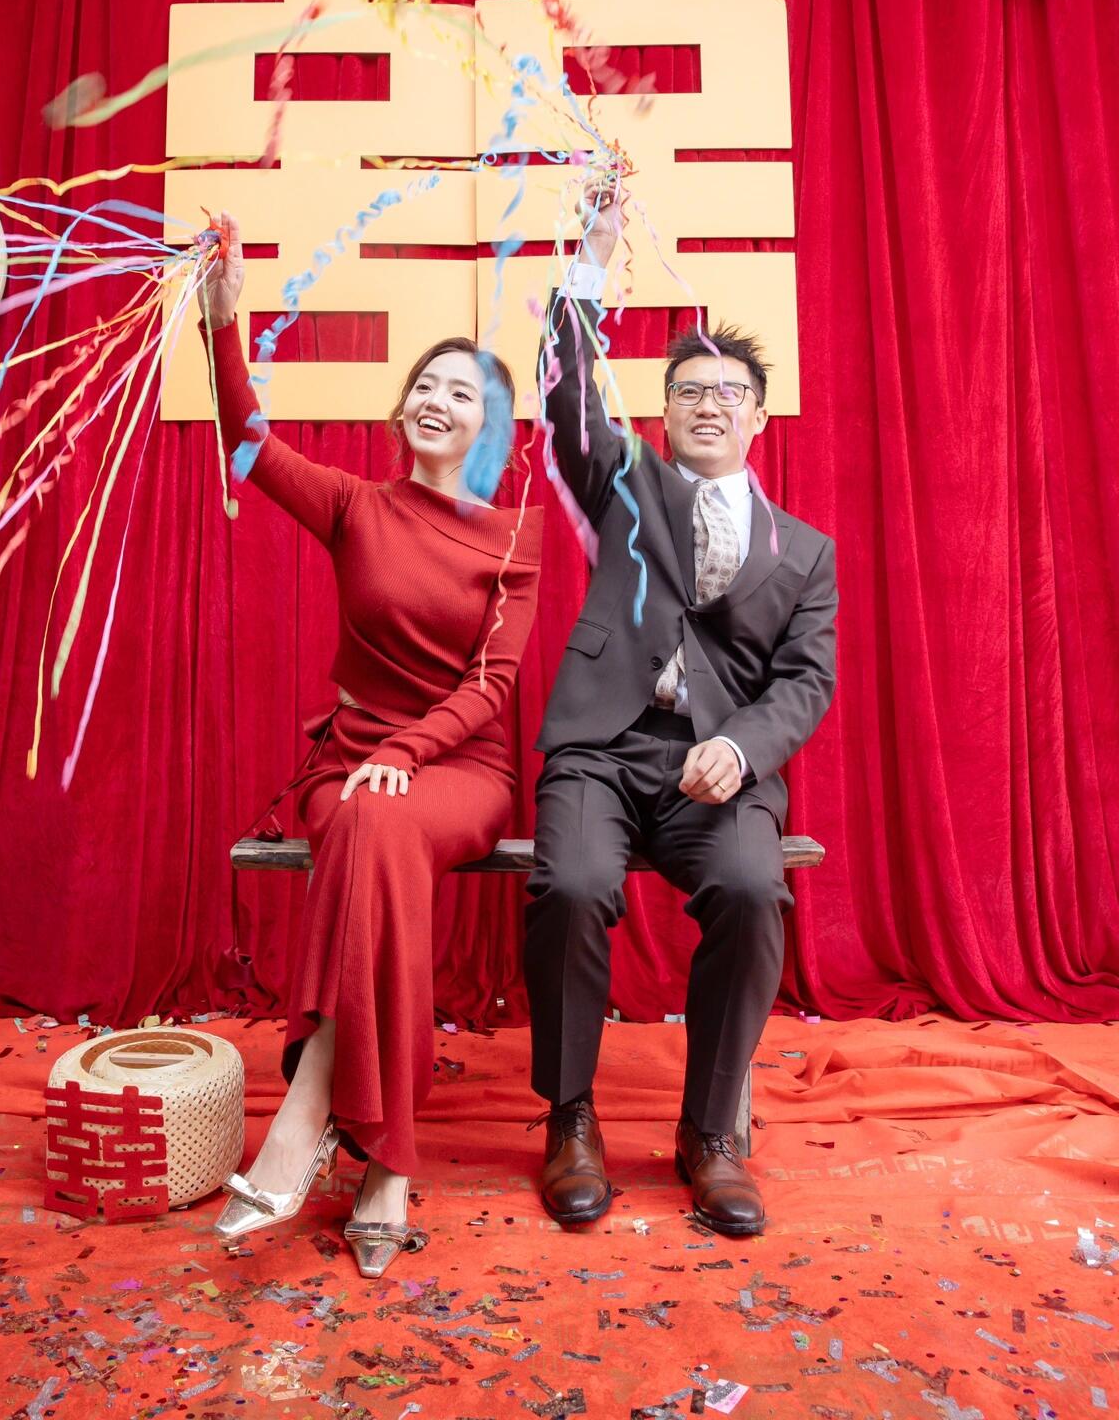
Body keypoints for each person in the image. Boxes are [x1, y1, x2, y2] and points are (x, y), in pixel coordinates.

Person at [201, 213, 542, 1277]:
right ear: (402, 409)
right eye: (424, 385)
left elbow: (492, 685)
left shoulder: (514, 539)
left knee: (379, 816)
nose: (435, 399)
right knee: (363, 818)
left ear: (489, 425)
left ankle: (307, 1107)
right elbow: (245, 438)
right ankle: (387, 1163)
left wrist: (409, 752)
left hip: (461, 769)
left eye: (461, 393)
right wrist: (222, 318)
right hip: (347, 762)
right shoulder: (355, 505)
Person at [525, 180, 837, 1237]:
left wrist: (742, 750)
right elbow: (569, 396)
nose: (709, 404)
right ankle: (570, 1118)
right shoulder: (627, 484)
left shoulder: (806, 553)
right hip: (600, 752)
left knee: (752, 891)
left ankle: (709, 1133)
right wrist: (592, 253)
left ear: (758, 415)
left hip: (719, 771)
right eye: (688, 390)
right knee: (569, 884)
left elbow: (805, 680)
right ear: (662, 415)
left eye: (728, 392)